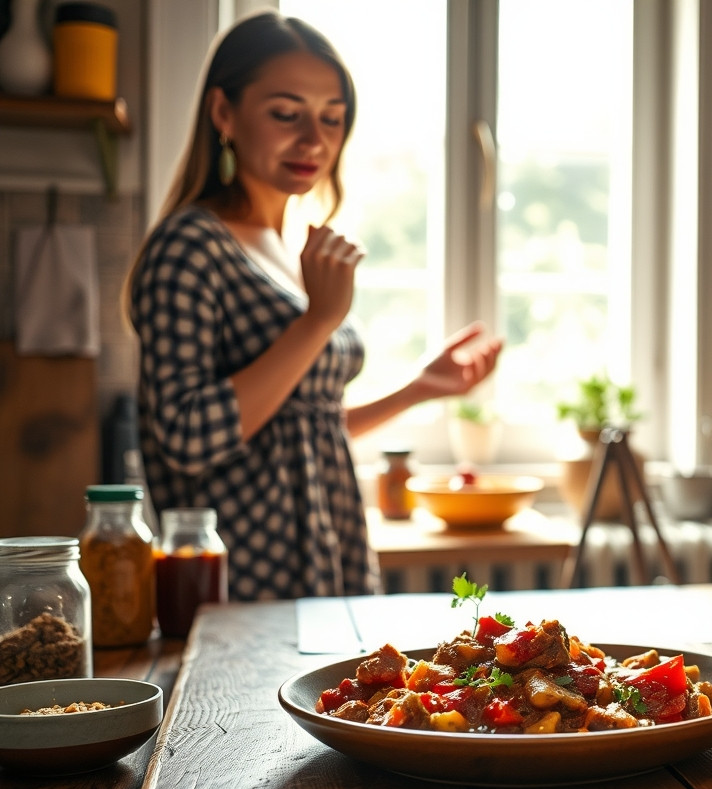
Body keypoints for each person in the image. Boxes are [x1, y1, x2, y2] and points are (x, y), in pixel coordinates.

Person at [125, 11, 502, 600]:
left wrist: (420, 388)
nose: (314, 140)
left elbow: (302, 430)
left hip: (327, 563)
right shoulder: (189, 245)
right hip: (244, 589)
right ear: (223, 113)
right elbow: (185, 437)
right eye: (286, 113)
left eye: (332, 118)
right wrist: (320, 320)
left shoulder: (280, 245)